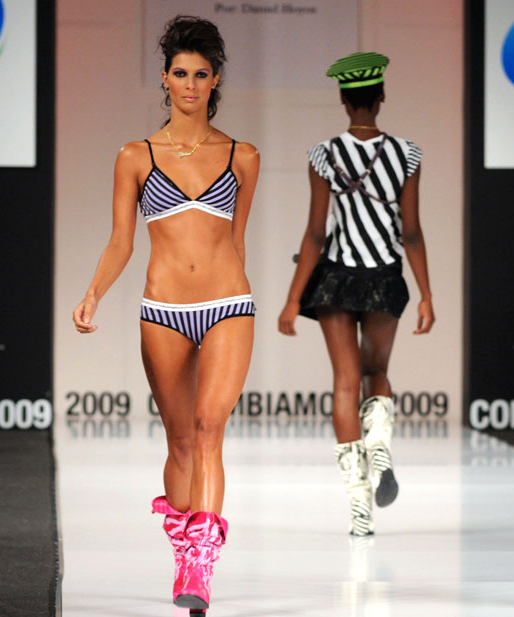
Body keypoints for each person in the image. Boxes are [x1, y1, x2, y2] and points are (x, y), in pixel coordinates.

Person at [71, 16, 260, 612]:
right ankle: (183, 551)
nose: (190, 84)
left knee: (208, 430)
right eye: (180, 73)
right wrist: (94, 293)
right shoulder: (136, 155)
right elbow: (120, 241)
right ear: (164, 78)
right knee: (180, 442)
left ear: (215, 80)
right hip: (163, 311)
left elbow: (236, 241)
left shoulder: (242, 155)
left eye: (201, 74)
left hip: (228, 305)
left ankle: (201, 564)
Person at [278, 52, 434, 537]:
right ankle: (380, 442)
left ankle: (360, 509)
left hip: (337, 279)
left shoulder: (323, 155)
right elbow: (411, 232)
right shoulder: (407, 154)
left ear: (344, 100)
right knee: (376, 371)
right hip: (384, 275)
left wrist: (292, 298)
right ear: (381, 96)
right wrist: (426, 294)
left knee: (345, 384)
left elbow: (315, 234)